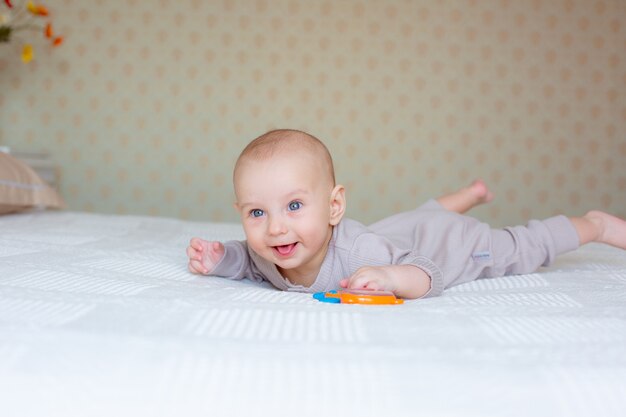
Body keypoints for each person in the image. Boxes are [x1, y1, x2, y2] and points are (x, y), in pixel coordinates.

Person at [186, 129, 626, 299]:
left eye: (294, 206)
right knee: (422, 216)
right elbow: (246, 258)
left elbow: (426, 271)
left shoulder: (362, 250)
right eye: (256, 212)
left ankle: (596, 224)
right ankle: (466, 195)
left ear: (335, 206)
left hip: (450, 246)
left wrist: (393, 279)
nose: (275, 226)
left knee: (519, 246)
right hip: (411, 227)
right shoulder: (272, 247)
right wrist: (218, 257)